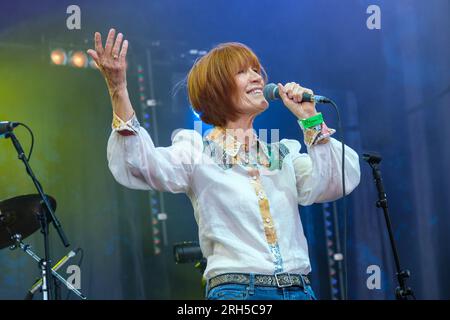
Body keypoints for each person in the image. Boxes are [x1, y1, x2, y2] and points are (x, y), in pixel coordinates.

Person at [87, 28, 361, 300]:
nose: (256, 77)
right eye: (242, 72)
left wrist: (310, 118)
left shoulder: (282, 155)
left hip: (300, 290)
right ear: (217, 89)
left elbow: (338, 180)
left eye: (256, 70)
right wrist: (118, 90)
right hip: (239, 293)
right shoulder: (197, 153)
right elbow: (138, 164)